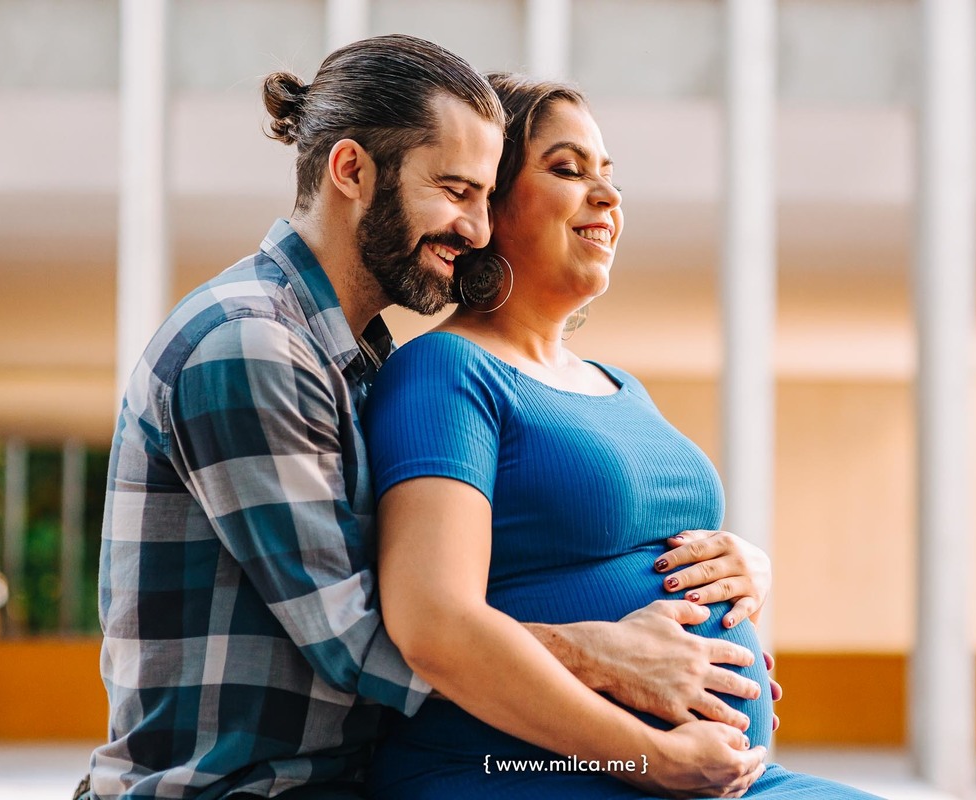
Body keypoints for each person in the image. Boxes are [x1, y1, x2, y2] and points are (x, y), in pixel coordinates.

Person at [89, 35, 780, 800]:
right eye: (455, 191)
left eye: (487, 197)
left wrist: (724, 581)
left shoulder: (358, 360)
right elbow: (363, 642)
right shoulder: (250, 345)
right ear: (351, 170)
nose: (479, 230)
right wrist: (605, 657)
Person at [363, 73, 884, 799]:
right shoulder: (447, 372)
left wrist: (743, 571)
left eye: (609, 177)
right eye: (567, 170)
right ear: (489, 204)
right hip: (522, 770)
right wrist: (650, 755)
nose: (606, 198)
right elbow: (434, 625)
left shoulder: (619, 386)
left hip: (703, 775)